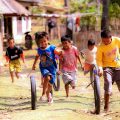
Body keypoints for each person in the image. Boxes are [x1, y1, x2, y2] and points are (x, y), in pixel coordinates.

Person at [32, 32, 61, 104]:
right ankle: (43, 94)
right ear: (38, 43)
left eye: (44, 41)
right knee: (47, 78)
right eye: (41, 42)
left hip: (52, 68)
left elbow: (57, 52)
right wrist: (34, 64)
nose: (43, 43)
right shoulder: (39, 49)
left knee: (50, 84)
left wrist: (61, 52)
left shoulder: (51, 47)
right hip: (43, 67)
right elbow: (37, 56)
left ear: (47, 40)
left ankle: (48, 93)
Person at [96, 30, 120, 112]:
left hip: (118, 66)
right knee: (108, 85)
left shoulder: (117, 40)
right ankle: (106, 107)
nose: (105, 42)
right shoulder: (100, 47)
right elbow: (99, 60)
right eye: (103, 40)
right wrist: (100, 68)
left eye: (107, 40)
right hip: (107, 68)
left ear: (111, 38)